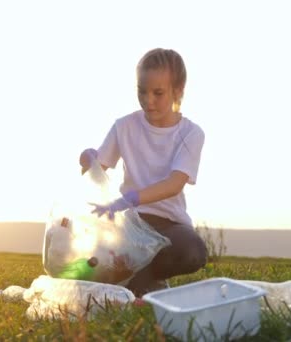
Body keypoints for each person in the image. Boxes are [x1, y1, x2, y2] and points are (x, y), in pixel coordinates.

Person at [79, 48, 207, 297]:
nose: (148, 100)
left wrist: (130, 198)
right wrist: (89, 162)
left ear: (178, 91)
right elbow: (97, 172)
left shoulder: (192, 134)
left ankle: (137, 281)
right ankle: (141, 284)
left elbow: (174, 184)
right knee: (93, 255)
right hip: (130, 225)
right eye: (142, 91)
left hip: (170, 225)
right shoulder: (124, 126)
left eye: (158, 93)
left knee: (193, 252)